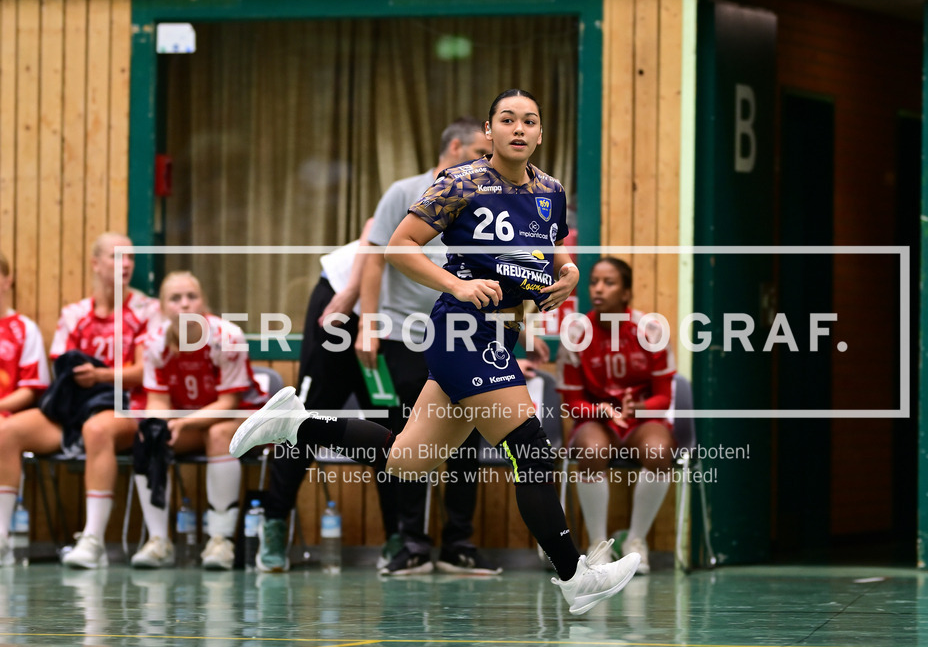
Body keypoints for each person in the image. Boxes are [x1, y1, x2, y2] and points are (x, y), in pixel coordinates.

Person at [231, 89, 640, 615]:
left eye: (529, 121)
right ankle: (574, 576)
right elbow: (398, 247)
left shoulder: (550, 191)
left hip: (501, 333)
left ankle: (296, 424)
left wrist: (570, 272)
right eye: (507, 119)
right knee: (532, 450)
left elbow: (551, 250)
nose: (519, 128)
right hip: (462, 330)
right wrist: (458, 284)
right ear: (488, 132)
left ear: (541, 134)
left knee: (408, 460)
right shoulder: (461, 182)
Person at [354, 116, 501, 576]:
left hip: (467, 333)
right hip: (405, 334)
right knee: (407, 437)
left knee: (468, 437)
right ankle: (413, 543)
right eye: (478, 151)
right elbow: (376, 259)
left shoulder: (487, 195)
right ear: (454, 148)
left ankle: (459, 543)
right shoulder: (403, 191)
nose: (485, 160)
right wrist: (368, 323)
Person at [0, 233, 159, 569]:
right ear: (95, 264)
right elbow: (62, 366)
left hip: (126, 407)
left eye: (131, 258)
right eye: (117, 256)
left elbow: (146, 370)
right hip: (75, 409)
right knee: (7, 432)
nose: (127, 264)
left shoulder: (147, 309)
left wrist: (100, 376)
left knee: (97, 430)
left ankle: (93, 540)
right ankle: (1, 538)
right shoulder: (74, 314)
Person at [256, 218, 387, 573]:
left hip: (388, 317)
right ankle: (274, 523)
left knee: (392, 425)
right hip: (341, 300)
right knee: (304, 420)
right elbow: (375, 227)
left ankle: (397, 538)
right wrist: (351, 292)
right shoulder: (437, 191)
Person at [130, 271, 266, 570]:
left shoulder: (226, 336)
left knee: (218, 434)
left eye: (191, 296)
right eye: (175, 298)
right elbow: (158, 401)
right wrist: (157, 425)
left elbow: (229, 404)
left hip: (240, 416)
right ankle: (158, 541)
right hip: (190, 421)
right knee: (149, 436)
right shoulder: (154, 342)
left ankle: (221, 541)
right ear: (162, 307)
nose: (184, 304)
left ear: (203, 302)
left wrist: (183, 423)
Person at [557, 257, 676, 574]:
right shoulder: (576, 333)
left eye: (608, 283)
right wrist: (600, 410)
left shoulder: (651, 329)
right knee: (591, 450)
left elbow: (664, 397)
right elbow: (572, 403)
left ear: (626, 292)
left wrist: (639, 409)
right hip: (596, 421)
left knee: (659, 451)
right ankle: (598, 544)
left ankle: (635, 541)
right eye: (594, 282)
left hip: (641, 420)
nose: (598, 289)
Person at [0, 252, 52, 564]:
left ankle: (1, 535)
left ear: (7, 281)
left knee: (3, 432)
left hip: (9, 415)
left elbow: (32, 389)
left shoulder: (23, 328)